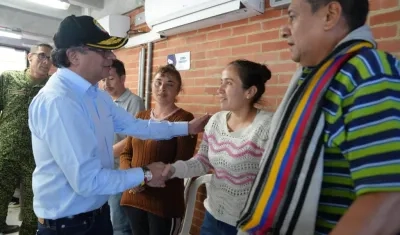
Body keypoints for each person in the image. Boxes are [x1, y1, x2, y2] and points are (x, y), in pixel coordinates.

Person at [28, 15, 209, 235]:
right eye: (103, 51)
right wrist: (145, 174)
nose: (111, 57)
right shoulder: (59, 102)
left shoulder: (95, 95)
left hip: (96, 215)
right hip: (69, 225)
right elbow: (88, 181)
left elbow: (137, 125)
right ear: (74, 56)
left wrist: (187, 128)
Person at [236, 0, 400, 235]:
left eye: (292, 16)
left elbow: (390, 196)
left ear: (330, 15)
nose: (283, 29)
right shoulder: (313, 78)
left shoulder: (369, 72)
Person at [163, 60, 273, 235]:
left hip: (247, 225)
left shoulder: (268, 127)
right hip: (212, 218)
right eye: (220, 82)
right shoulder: (216, 121)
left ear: (250, 92)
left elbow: (275, 183)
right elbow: (202, 161)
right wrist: (173, 170)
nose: (219, 90)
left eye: (228, 83)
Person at [120, 64, 198, 235]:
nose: (162, 88)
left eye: (170, 84)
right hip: (133, 198)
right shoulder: (141, 116)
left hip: (163, 202)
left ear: (178, 90)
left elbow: (181, 162)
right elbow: (126, 153)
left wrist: (141, 179)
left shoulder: (185, 120)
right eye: (158, 82)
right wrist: (132, 179)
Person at [0, 43, 53, 235]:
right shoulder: (8, 78)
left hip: (37, 158)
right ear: (30, 57)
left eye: (49, 58)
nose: (46, 62)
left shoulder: (53, 86)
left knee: (33, 208)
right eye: (41, 56)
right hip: (6, 151)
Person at [102, 59, 145, 235]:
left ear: (122, 78)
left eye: (111, 78)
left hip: (120, 168)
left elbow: (134, 138)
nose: (106, 84)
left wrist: (109, 152)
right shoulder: (103, 101)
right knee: (105, 217)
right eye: (103, 79)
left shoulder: (134, 102)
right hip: (103, 168)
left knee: (118, 222)